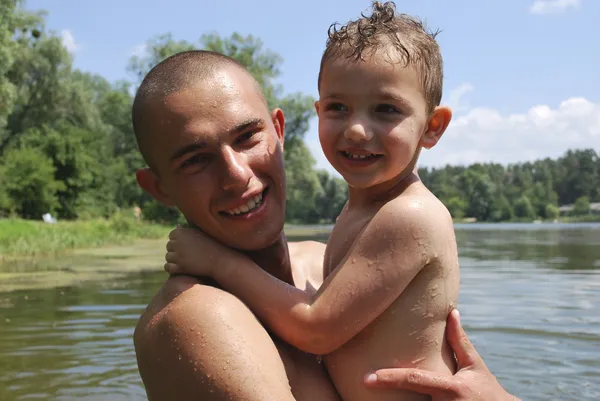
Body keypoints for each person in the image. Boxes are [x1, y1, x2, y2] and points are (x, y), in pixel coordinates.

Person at [130, 45, 519, 401]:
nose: (236, 175)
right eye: (195, 160)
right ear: (158, 188)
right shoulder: (197, 315)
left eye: (248, 136)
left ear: (279, 130)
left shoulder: (329, 263)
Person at [165, 2, 458, 400]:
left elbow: (315, 328)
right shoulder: (363, 209)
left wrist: (217, 261)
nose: (356, 129)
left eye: (386, 110)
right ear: (318, 111)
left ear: (432, 127)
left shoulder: (409, 215)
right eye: (338, 107)